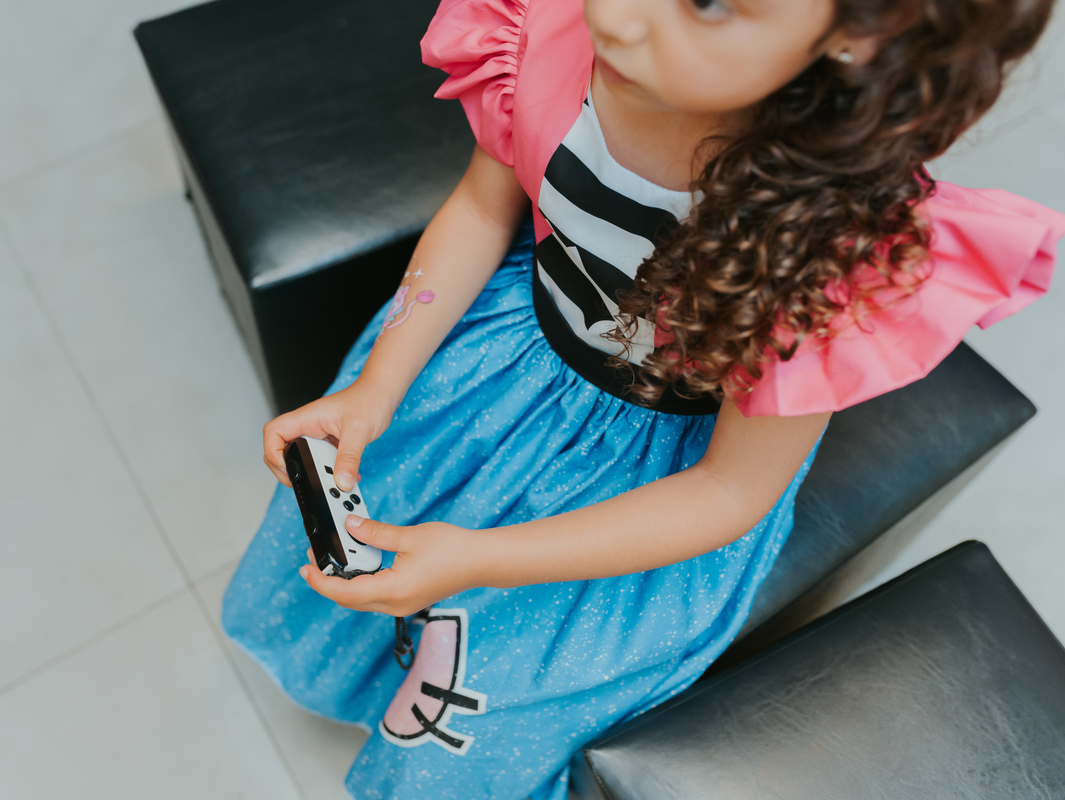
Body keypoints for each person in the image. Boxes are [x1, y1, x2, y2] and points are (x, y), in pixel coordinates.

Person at [223, 0, 1064, 797]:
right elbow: (484, 209)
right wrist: (378, 387)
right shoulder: (547, 37)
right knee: (371, 512)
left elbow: (730, 490)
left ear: (859, 33)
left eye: (706, 3)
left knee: (494, 686)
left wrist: (478, 558)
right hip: (507, 356)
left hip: (659, 472)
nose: (620, 17)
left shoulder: (836, 246)